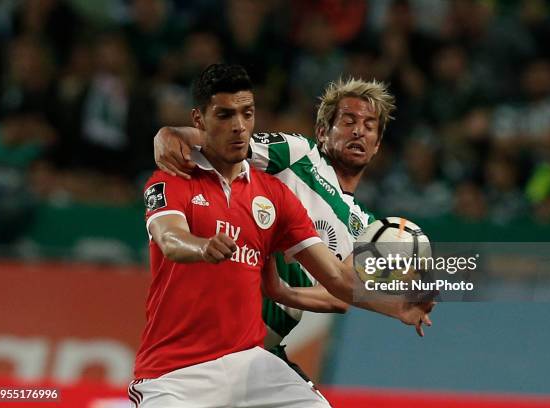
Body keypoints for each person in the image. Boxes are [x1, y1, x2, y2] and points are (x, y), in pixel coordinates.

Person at [133, 64, 433, 408]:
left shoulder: (367, 227)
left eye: (369, 127)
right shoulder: (299, 156)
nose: (358, 133)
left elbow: (337, 293)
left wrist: (282, 290)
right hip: (193, 347)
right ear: (323, 130)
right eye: (348, 122)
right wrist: (173, 133)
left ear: (378, 144)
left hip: (258, 350)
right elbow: (228, 140)